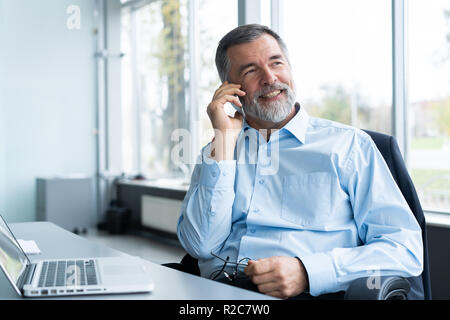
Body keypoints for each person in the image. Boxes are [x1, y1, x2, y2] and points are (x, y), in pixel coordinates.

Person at [176, 24, 423, 299]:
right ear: (231, 91)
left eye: (276, 63)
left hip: (309, 294)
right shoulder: (218, 151)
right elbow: (200, 246)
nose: (270, 77)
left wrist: (308, 272)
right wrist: (222, 144)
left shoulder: (349, 145)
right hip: (217, 294)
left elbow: (403, 247)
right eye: (250, 70)